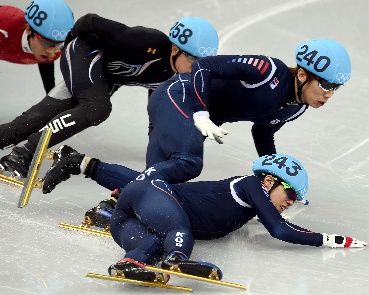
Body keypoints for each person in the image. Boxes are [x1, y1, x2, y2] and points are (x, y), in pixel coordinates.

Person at [41, 38, 352, 214]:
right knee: (188, 163)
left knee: (159, 189)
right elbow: (204, 65)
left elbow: (263, 130)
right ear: (302, 75)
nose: (329, 93)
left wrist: (274, 179)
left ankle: (93, 178)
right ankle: (100, 186)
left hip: (190, 117)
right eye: (325, 84)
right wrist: (202, 113)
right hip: (179, 95)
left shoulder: (296, 108)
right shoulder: (266, 69)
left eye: (336, 88)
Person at [0, 14, 218, 177]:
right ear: (174, 49)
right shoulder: (145, 42)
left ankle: (15, 145)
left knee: (34, 119)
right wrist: (69, 53)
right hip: (86, 52)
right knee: (97, 108)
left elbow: (159, 106)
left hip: (106, 77)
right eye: (192, 60)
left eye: (202, 64)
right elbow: (89, 22)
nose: (196, 69)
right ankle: (26, 151)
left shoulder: (178, 76)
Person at [106, 153, 367, 282]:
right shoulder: (252, 185)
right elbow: (280, 230)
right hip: (151, 194)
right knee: (179, 229)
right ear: (268, 181)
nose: (290, 202)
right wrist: (333, 239)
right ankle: (176, 260)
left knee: (150, 246)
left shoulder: (253, 204)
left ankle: (126, 265)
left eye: (295, 199)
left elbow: (281, 223)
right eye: (289, 192)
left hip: (128, 218)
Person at [0, 0, 74, 94]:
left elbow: (47, 72)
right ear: (28, 30)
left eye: (58, 44)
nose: (51, 51)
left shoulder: (55, 51)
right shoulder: (5, 27)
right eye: (46, 43)